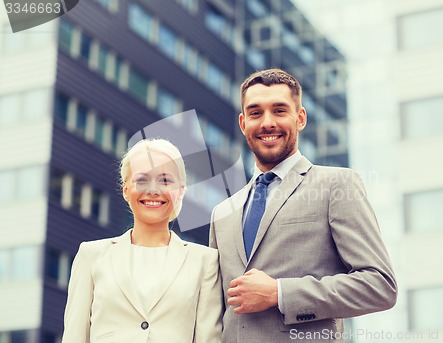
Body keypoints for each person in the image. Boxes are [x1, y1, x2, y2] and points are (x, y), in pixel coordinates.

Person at [209, 69, 397, 342]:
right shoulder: (222, 213)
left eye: (279, 110)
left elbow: (380, 286)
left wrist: (280, 293)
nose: (267, 123)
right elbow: (215, 313)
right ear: (243, 123)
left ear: (300, 118)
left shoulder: (336, 185)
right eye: (256, 113)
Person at [62, 138, 222, 343]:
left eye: (165, 180)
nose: (153, 190)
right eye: (142, 180)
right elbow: (74, 336)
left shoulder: (205, 261)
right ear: (126, 189)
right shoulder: (91, 256)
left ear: (180, 191)